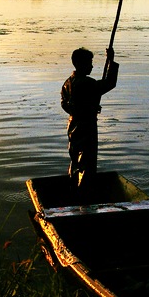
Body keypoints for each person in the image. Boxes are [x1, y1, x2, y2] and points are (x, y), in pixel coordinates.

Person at [61, 47, 119, 197]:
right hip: (86, 126)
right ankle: (84, 196)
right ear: (81, 64)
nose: (92, 66)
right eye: (89, 63)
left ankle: (73, 189)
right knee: (87, 162)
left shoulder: (68, 82)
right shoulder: (86, 83)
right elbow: (109, 83)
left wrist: (79, 110)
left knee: (76, 160)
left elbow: (64, 104)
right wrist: (111, 61)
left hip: (73, 125)